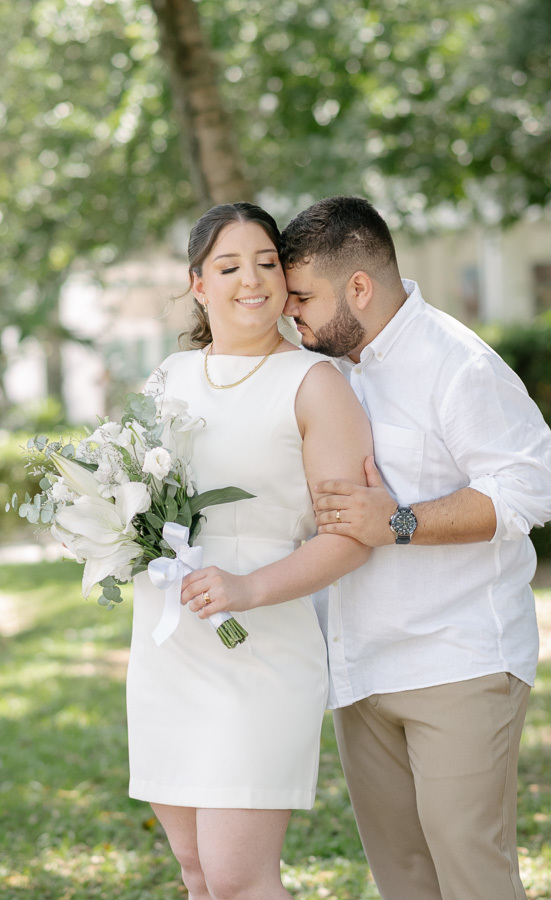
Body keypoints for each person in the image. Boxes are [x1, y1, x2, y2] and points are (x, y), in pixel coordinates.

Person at [278, 195, 551, 900]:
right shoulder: (324, 373)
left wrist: (398, 522)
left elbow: (527, 490)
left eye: (303, 297)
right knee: (402, 878)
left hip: (456, 658)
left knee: (472, 874)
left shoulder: (457, 363)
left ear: (359, 287)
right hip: (359, 666)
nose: (291, 313)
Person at [126, 201, 373, 900]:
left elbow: (352, 539)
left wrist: (246, 588)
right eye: (229, 266)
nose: (252, 280)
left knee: (238, 878)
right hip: (169, 646)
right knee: (197, 871)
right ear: (198, 284)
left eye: (267, 263)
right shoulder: (168, 377)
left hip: (261, 649)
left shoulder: (315, 384)